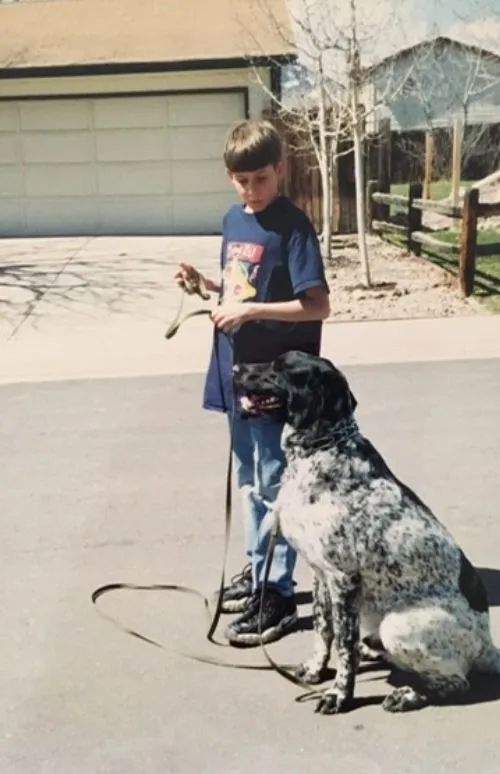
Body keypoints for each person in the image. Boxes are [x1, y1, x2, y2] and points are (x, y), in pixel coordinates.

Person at [175, 120, 330, 646]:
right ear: (229, 178)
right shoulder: (232, 221)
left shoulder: (293, 228)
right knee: (249, 481)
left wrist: (252, 310)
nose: (250, 190)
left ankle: (280, 593)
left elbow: (318, 304)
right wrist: (208, 287)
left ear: (280, 170)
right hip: (233, 369)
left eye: (260, 178)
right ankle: (258, 571)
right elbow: (242, 287)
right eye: (240, 181)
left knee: (272, 485)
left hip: (273, 376)